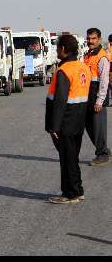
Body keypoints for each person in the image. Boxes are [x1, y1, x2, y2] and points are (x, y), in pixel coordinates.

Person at [46, 35, 91, 204]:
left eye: (58, 48)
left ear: (64, 49)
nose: (57, 51)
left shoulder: (64, 70)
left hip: (65, 122)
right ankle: (77, 190)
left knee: (67, 159)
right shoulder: (83, 67)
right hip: (79, 120)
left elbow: (60, 101)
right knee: (73, 157)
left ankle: (70, 194)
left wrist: (54, 127)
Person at [83, 28, 111, 166]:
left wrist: (99, 100)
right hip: (88, 97)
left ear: (99, 39)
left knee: (98, 128)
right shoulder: (88, 55)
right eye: (89, 38)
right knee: (89, 127)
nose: (90, 41)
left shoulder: (102, 57)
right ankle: (104, 150)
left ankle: (102, 154)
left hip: (96, 98)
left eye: (93, 38)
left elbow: (104, 81)